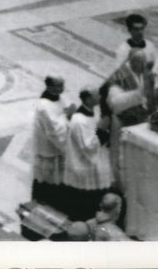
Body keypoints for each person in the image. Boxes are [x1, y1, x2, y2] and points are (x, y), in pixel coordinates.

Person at [104, 49, 156, 186]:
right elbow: (115, 104)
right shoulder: (119, 77)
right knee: (122, 160)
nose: (144, 66)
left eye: (145, 62)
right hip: (122, 122)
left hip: (141, 120)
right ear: (131, 62)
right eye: (141, 63)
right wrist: (139, 93)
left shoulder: (144, 72)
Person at [63, 88, 112, 222]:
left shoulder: (93, 113)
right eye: (97, 94)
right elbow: (88, 146)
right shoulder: (79, 120)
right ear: (88, 99)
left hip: (93, 165)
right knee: (84, 209)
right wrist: (102, 130)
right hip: (84, 169)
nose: (100, 96)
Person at [32, 75, 73, 210]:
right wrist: (67, 116)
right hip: (49, 148)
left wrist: (71, 114)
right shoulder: (44, 106)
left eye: (62, 85)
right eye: (58, 86)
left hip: (56, 148)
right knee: (48, 181)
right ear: (49, 87)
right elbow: (55, 131)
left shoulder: (61, 98)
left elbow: (68, 109)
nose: (61, 89)